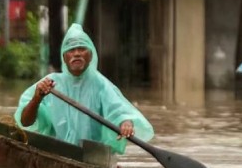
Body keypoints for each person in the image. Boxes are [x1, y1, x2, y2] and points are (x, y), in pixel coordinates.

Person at [14, 23, 154, 154]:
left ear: (90, 55)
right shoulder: (49, 84)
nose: (76, 53)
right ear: (64, 56)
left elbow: (119, 111)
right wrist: (37, 98)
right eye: (71, 50)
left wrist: (126, 123)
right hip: (57, 151)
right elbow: (26, 122)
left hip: (90, 154)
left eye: (81, 48)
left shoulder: (100, 84)